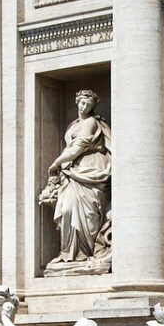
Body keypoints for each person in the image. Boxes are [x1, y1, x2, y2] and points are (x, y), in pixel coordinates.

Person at [39, 90, 112, 266]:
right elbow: (70, 149)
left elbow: (77, 148)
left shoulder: (91, 122)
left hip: (91, 167)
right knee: (66, 210)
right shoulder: (73, 125)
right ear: (76, 102)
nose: (84, 107)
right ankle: (68, 252)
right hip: (73, 170)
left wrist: (56, 163)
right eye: (82, 103)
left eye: (88, 105)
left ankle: (85, 252)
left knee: (89, 214)